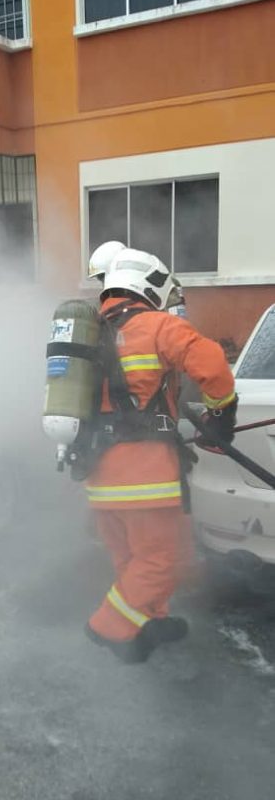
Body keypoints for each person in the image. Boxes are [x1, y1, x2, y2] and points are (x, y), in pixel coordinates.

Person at [84, 248, 236, 664]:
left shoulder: (90, 333)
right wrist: (221, 415)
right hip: (144, 476)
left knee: (132, 560)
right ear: (149, 286)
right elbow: (212, 364)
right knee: (163, 560)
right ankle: (108, 627)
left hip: (100, 477)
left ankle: (150, 623)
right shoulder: (157, 325)